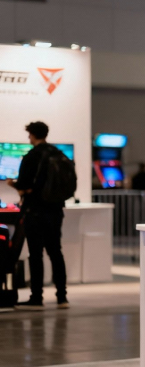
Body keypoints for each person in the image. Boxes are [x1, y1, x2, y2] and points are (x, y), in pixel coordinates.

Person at [5, 121, 69, 310]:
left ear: (32, 135)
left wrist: (13, 185)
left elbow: (24, 184)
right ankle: (62, 297)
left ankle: (37, 297)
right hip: (55, 210)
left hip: (35, 211)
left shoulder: (32, 156)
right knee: (56, 252)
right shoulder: (59, 154)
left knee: (36, 254)